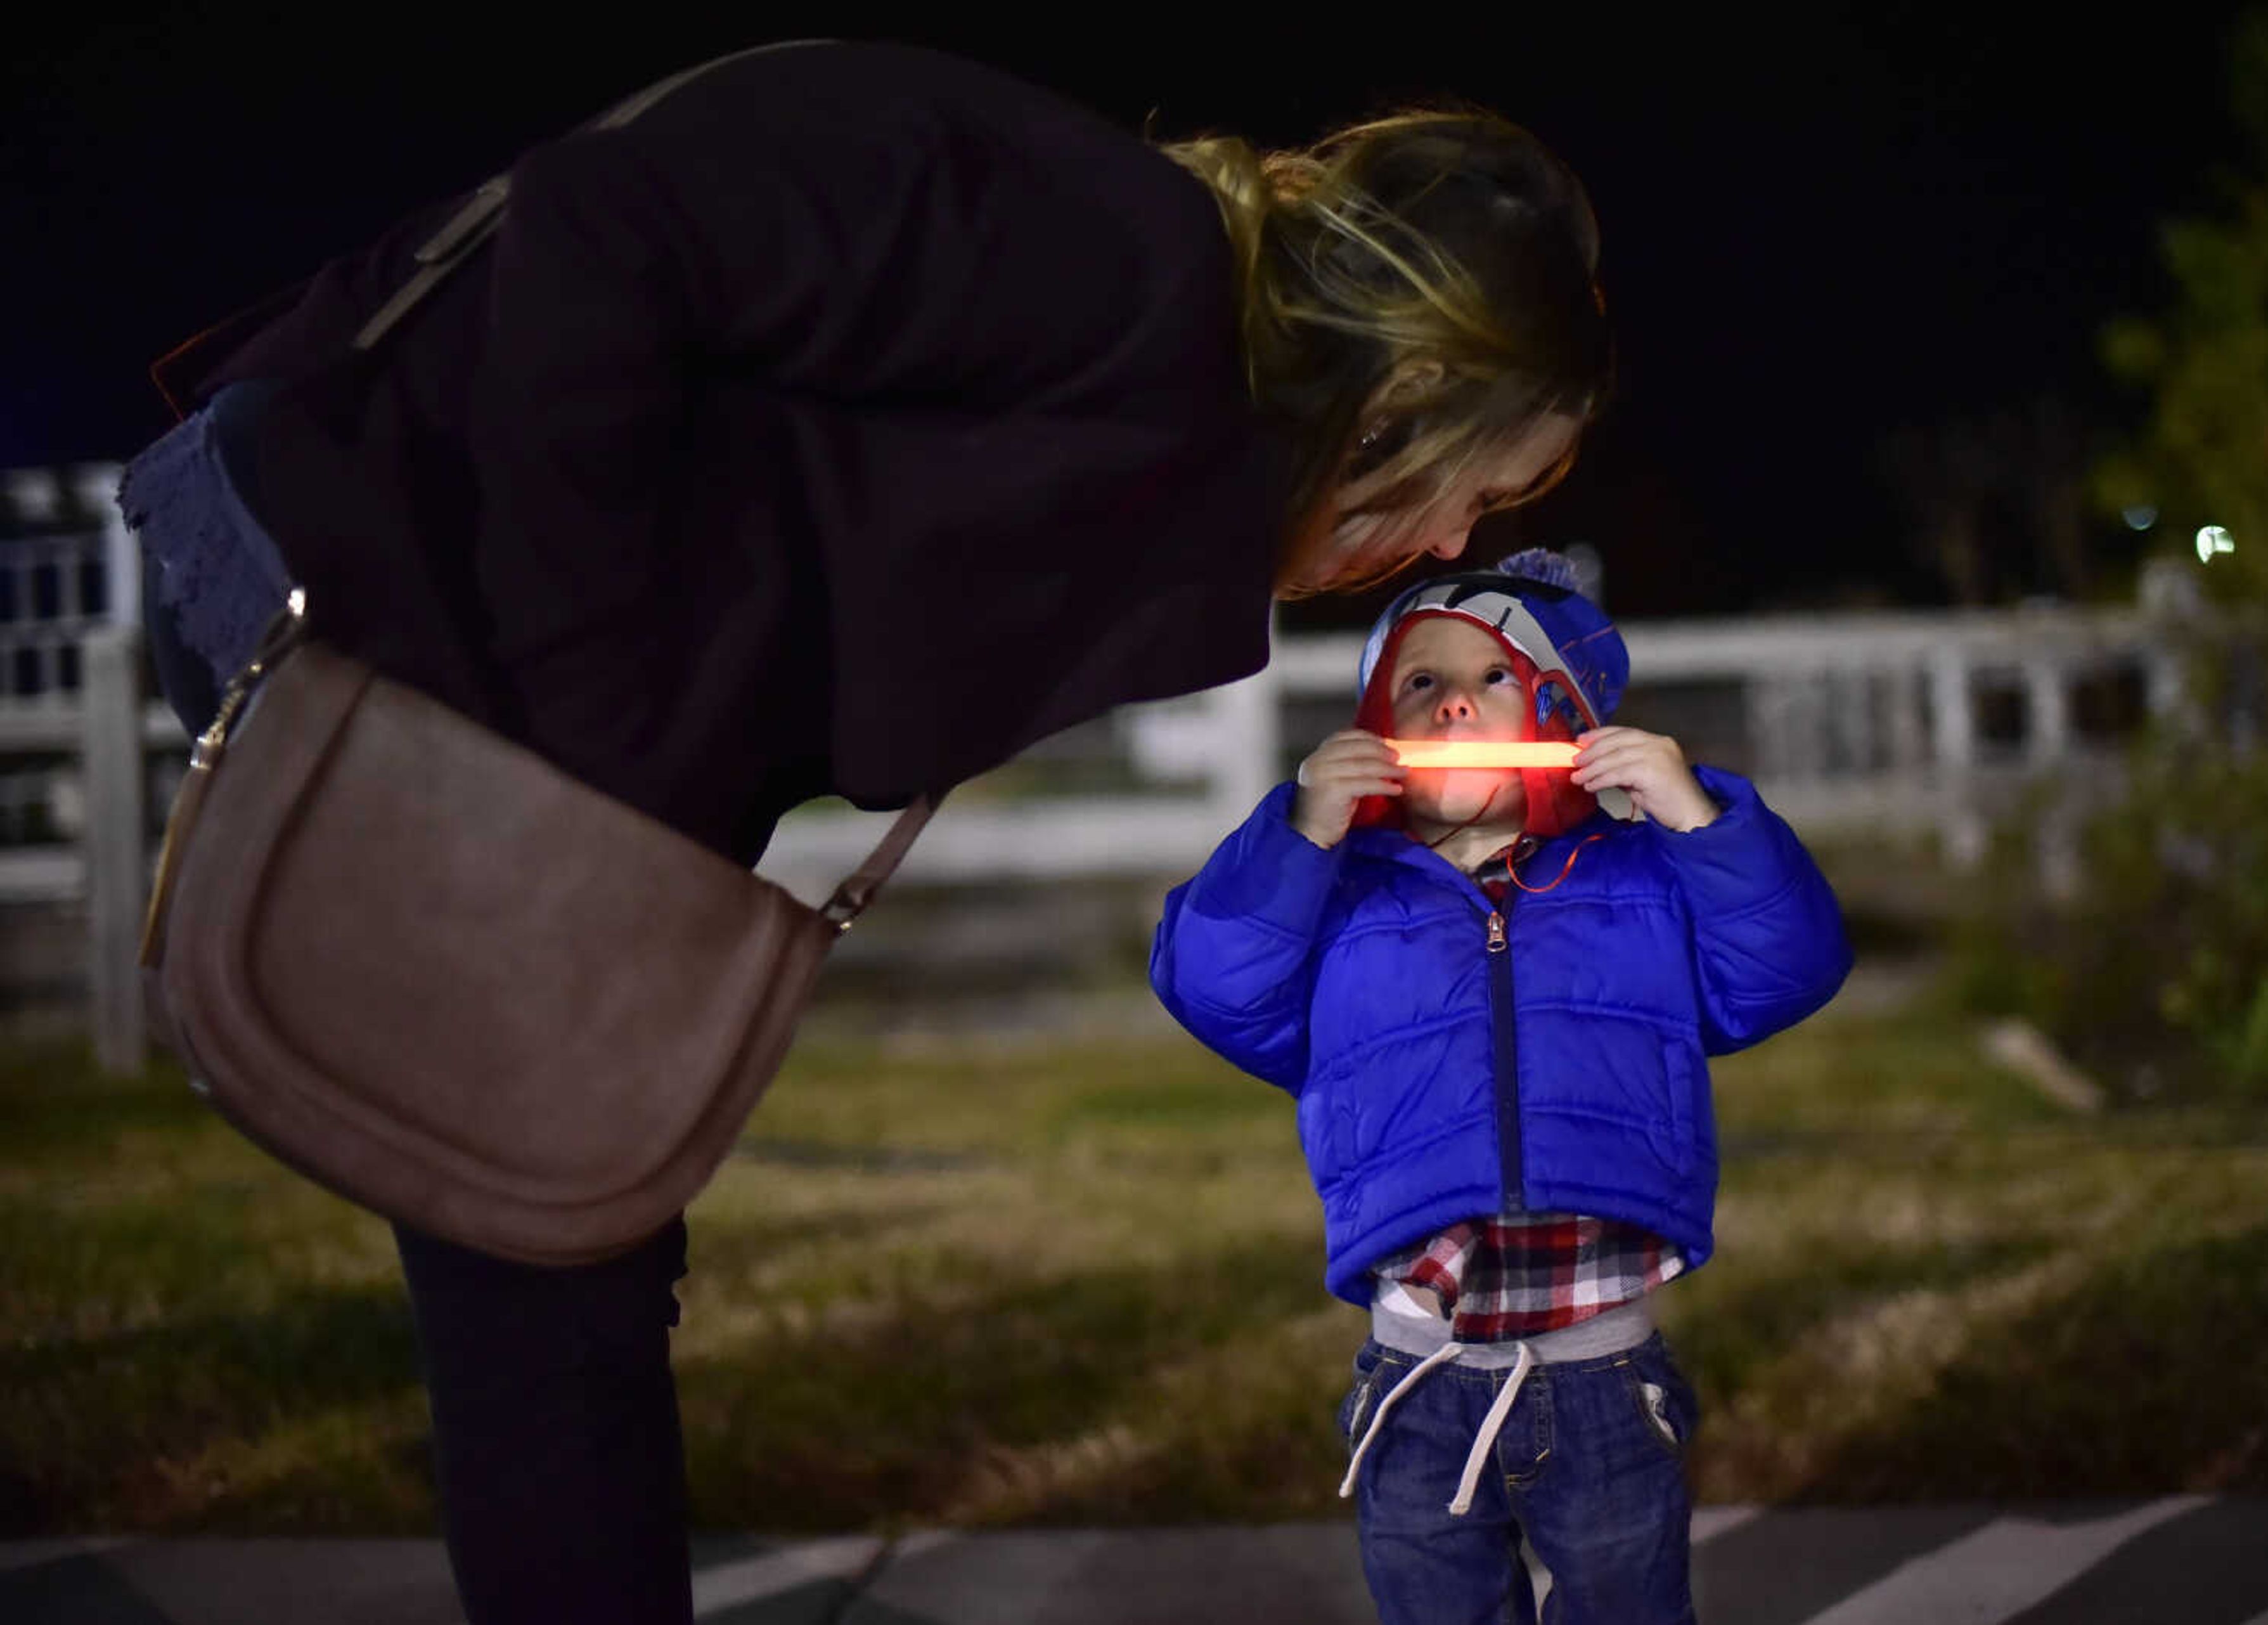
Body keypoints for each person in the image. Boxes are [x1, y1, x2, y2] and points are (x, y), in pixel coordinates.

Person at [115, 38, 1612, 1625]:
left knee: (566, 1272)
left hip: (466, 679)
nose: (1451, 540)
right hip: (337, 585)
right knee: (552, 1291)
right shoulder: (1108, 251)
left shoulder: (1169, 439)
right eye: (1476, 489)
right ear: (1414, 384)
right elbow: (601, 228)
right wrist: (600, 748)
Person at [1149, 550, 1852, 1624]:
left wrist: (1700, 819)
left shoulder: (1636, 881)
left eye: (1491, 680)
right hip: (1417, 1373)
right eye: (1419, 683)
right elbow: (1216, 985)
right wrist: (1296, 836)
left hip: (1604, 1370)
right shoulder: (1339, 896)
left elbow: (1788, 966)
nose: (1451, 704)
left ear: (1564, 720)